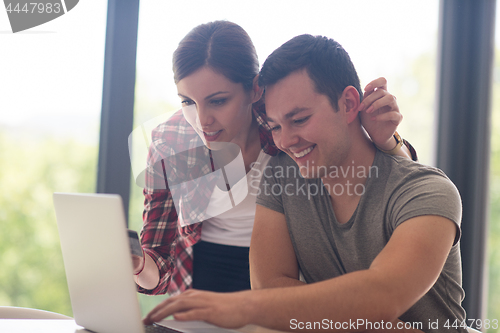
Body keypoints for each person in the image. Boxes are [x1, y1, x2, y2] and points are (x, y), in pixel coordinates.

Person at [142, 34, 466, 333]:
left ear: (350, 104)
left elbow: (381, 295)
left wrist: (243, 306)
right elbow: (268, 287)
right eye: (275, 126)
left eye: (299, 120)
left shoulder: (429, 192)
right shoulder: (282, 176)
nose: (286, 141)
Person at [133, 21, 415, 297]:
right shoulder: (172, 143)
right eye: (187, 102)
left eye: (218, 100)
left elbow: (388, 172)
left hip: (291, 273)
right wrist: (137, 263)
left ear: (255, 89)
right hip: (201, 279)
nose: (202, 120)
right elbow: (158, 266)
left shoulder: (285, 122)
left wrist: (387, 140)